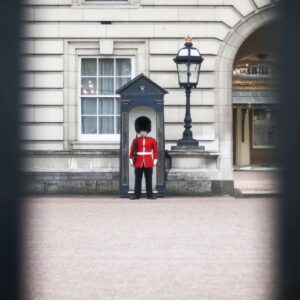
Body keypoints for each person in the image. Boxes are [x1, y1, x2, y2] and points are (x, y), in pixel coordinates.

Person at [129, 116, 158, 200]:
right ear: (139, 131)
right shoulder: (136, 140)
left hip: (148, 161)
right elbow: (132, 150)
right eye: (141, 131)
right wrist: (131, 159)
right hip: (138, 161)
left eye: (144, 131)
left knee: (149, 179)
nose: (143, 132)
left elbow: (155, 151)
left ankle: (150, 195)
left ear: (147, 131)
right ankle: (136, 195)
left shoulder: (152, 140)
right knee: (138, 179)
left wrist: (155, 160)